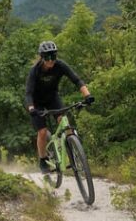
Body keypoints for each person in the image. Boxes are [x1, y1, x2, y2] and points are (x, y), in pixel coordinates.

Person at [25, 41, 93, 171]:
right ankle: (43, 160)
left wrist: (87, 95)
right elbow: (28, 93)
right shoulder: (35, 71)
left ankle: (73, 154)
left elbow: (76, 80)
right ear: (42, 57)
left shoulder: (60, 65)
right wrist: (31, 108)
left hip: (52, 98)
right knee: (42, 132)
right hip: (36, 102)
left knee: (65, 123)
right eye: (47, 57)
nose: (51, 60)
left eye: (53, 56)